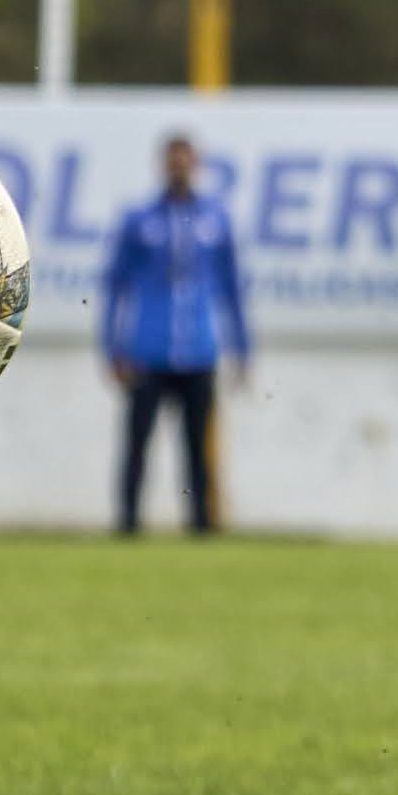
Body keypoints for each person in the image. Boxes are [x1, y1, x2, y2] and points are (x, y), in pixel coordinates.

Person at [100, 134, 250, 536]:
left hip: (199, 351)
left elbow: (232, 288)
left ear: (196, 165)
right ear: (163, 164)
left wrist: (241, 350)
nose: (179, 167)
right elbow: (116, 286)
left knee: (198, 446)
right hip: (147, 351)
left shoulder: (215, 219)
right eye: (173, 160)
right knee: (136, 444)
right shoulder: (140, 220)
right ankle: (128, 523)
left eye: (186, 161)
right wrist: (112, 348)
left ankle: (202, 523)